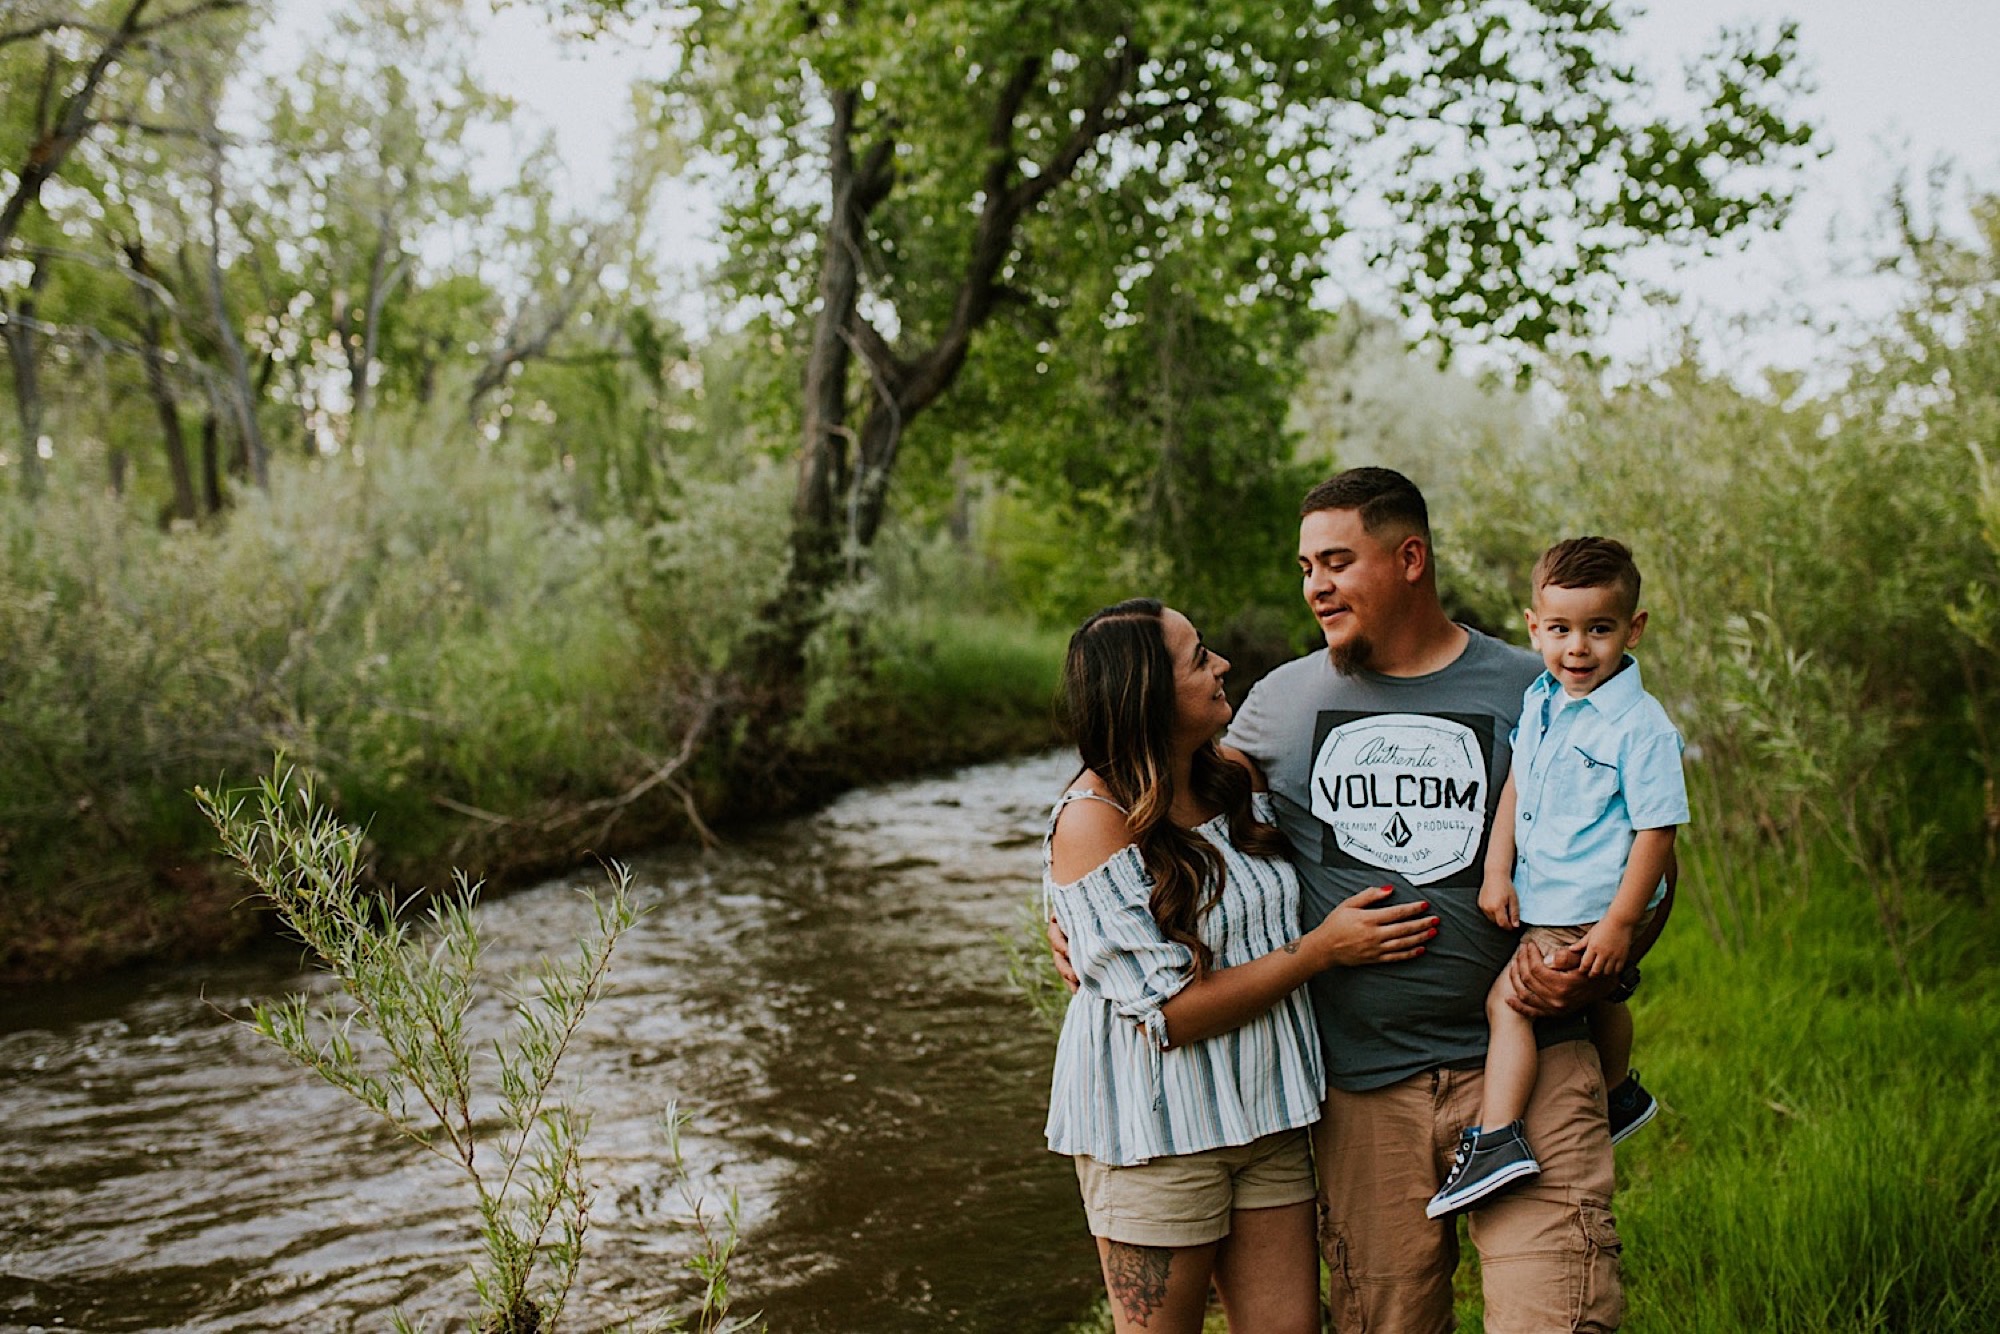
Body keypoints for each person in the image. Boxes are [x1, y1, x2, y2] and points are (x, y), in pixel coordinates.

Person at [1053, 469, 1672, 1332]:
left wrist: (1610, 966)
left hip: (1530, 1066)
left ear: (1409, 557)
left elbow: (1647, 850)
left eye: (1337, 562)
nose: (1315, 586)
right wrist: (1070, 912)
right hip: (1359, 1095)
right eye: (1307, 567)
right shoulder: (1281, 704)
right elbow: (1151, 788)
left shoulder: (1542, 691)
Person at [1044, 597, 1438, 1334]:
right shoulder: (1093, 819)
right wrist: (1320, 950)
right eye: (1199, 658)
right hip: (1157, 1134)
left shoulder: (1231, 775)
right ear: (1149, 697)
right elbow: (1171, 1013)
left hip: (1269, 1111)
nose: (1222, 665)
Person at [1425, 537, 1688, 1219]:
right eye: (1561, 630)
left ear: (1633, 629)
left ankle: (1497, 1137)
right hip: (1557, 890)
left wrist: (1619, 925)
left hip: (1595, 898)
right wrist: (1496, 869)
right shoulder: (1541, 700)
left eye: (1599, 630)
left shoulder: (1640, 727)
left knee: (1509, 1003)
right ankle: (1619, 1091)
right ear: (1533, 626)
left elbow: (1658, 831)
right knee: (1602, 999)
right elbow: (1517, 785)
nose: (1578, 648)